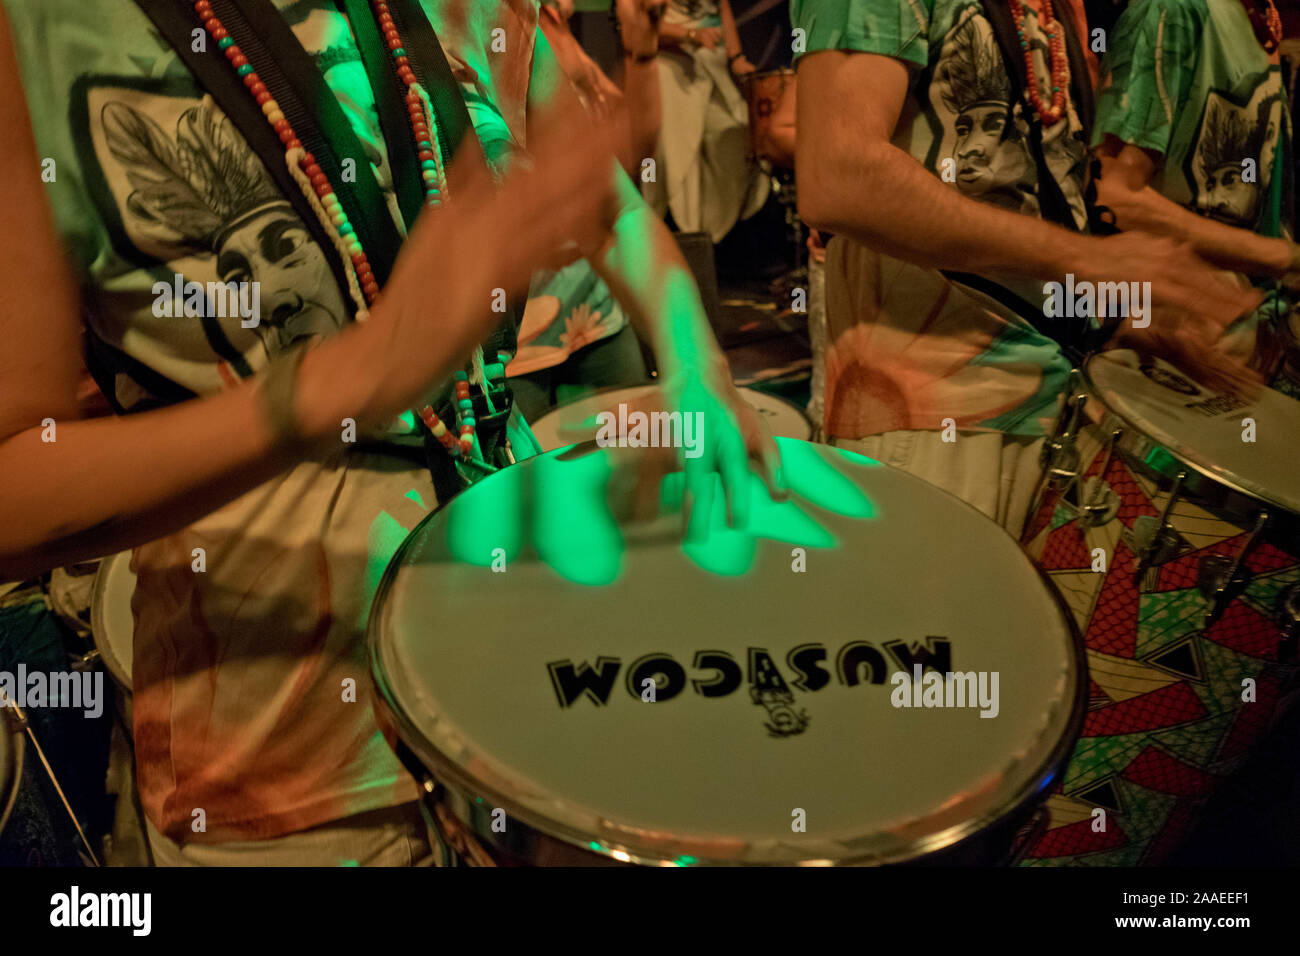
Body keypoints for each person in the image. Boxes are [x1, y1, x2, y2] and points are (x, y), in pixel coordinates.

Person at [0, 0, 774, 865]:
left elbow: (614, 215)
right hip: (286, 754)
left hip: (515, 658)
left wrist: (697, 365)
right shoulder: (38, 27)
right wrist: (348, 377)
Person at [791, 0, 1260, 538]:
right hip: (937, 416)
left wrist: (1112, 311)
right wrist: (1090, 261)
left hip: (1058, 394)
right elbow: (839, 178)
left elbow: (1023, 194)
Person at [1092, 0, 1300, 398]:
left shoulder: (1261, 23)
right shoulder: (1173, 11)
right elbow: (1113, 195)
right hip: (1158, 359)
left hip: (1230, 358)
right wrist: (1278, 258)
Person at [643, 0, 770, 241]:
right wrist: (690, 34)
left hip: (711, 62)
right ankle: (682, 236)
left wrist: (736, 57)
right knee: (675, 156)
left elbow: (722, 7)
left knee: (734, 135)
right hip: (669, 65)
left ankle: (711, 238)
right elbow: (640, 24)